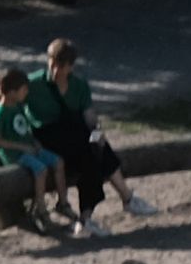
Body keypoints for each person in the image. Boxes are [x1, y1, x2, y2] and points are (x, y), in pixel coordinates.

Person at [13, 37, 152, 229]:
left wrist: (98, 133)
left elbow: (90, 118)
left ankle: (88, 216)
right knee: (91, 151)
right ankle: (124, 199)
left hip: (73, 139)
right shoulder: (33, 83)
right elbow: (5, 95)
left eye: (61, 67)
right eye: (53, 65)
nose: (55, 71)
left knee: (94, 150)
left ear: (70, 67)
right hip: (47, 137)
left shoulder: (79, 86)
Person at [0, 61, 81, 238]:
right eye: (23, 89)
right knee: (41, 170)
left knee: (58, 162)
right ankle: (41, 209)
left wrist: (34, 143)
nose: (26, 92)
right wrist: (22, 146)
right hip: (14, 154)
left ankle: (63, 203)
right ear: (13, 92)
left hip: (29, 147)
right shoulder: (1, 112)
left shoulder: (18, 105)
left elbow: (24, 128)